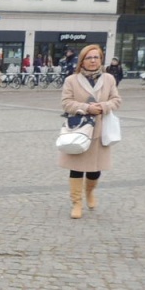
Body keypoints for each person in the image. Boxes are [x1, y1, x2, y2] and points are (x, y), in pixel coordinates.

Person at [60, 45, 123, 219]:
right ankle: (77, 202)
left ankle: (89, 192)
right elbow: (66, 103)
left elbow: (116, 100)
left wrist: (103, 107)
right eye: (89, 58)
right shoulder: (72, 80)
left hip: (101, 129)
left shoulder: (109, 79)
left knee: (95, 169)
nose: (93, 60)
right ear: (82, 61)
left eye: (96, 57)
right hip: (80, 129)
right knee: (77, 168)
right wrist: (86, 107)